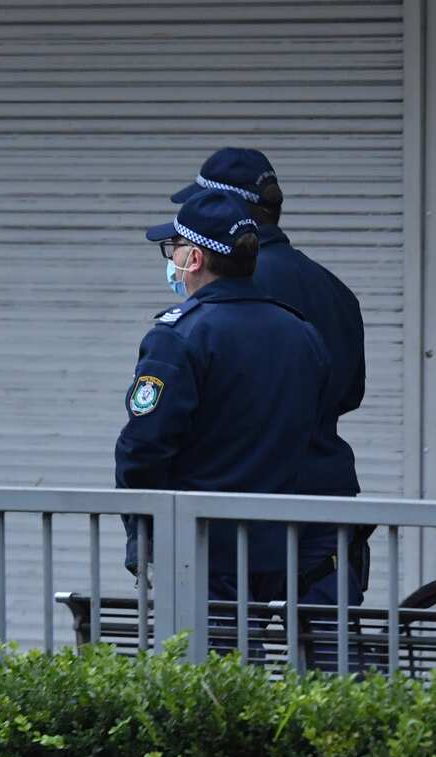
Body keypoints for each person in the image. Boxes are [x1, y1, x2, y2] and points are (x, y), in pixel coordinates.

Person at [170, 147, 368, 605]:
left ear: (233, 209)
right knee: (330, 663)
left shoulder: (223, 299)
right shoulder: (336, 291)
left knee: (226, 663)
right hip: (325, 506)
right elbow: (351, 392)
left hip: (242, 516)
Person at [115, 189, 330, 603]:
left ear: (194, 259)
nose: (171, 260)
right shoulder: (301, 333)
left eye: (174, 248)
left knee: (207, 665)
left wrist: (143, 537)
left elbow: (142, 449)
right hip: (282, 548)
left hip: (202, 552)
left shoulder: (178, 338)